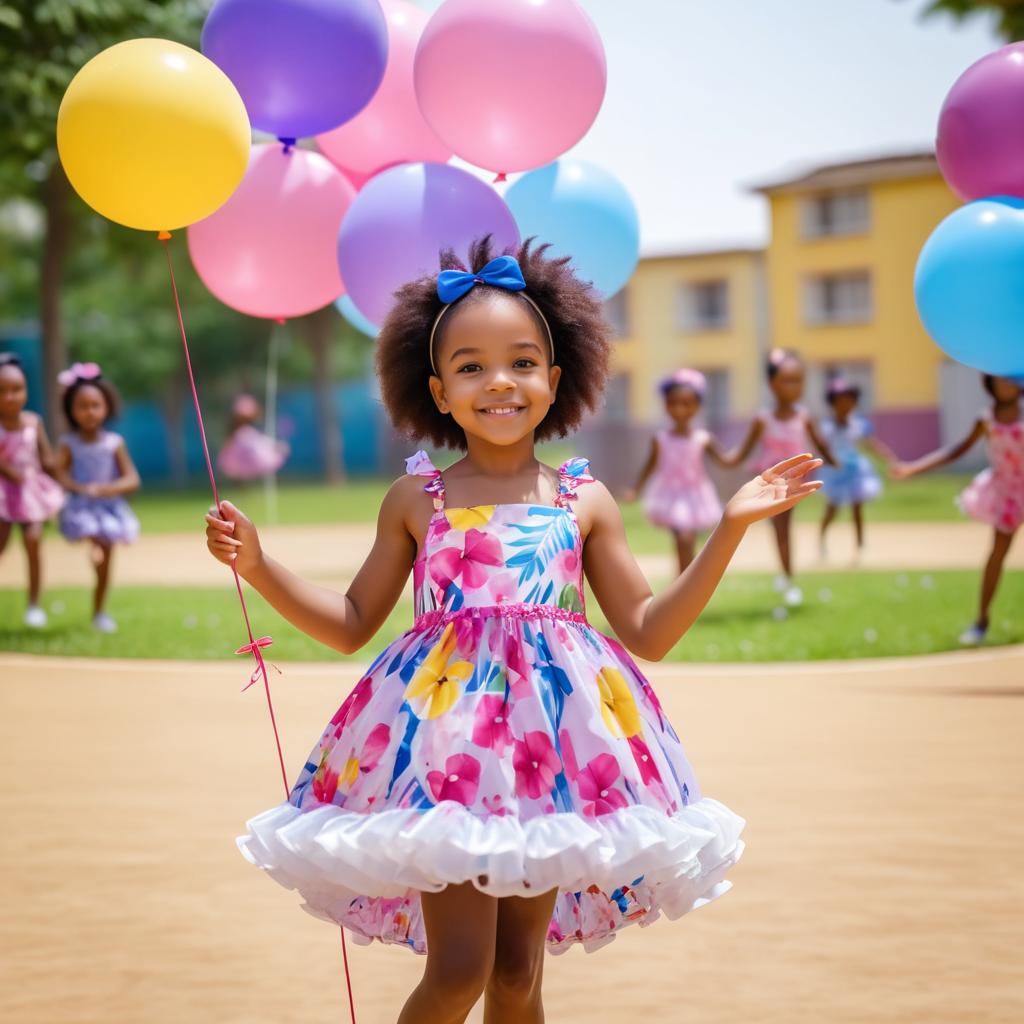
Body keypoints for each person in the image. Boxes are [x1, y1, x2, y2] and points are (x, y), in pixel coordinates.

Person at [205, 239, 822, 1024]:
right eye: (470, 367)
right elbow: (353, 622)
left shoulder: (583, 498)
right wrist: (258, 566)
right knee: (460, 970)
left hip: (555, 759)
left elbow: (649, 630)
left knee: (519, 977)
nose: (500, 382)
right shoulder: (415, 496)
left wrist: (729, 528)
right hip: (446, 758)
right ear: (437, 391)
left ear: (556, 378)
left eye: (522, 362)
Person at [892, 374, 1023, 646]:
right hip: (1008, 493)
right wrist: (914, 468)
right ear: (990, 382)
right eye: (1000, 379)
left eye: (1011, 379)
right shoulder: (986, 418)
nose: (1006, 384)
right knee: (996, 555)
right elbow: (956, 451)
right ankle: (981, 621)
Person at [728, 348, 834, 607]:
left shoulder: (803, 416)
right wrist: (722, 457)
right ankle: (788, 578)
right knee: (782, 528)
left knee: (785, 528)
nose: (794, 387)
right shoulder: (763, 419)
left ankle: (787, 577)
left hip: (796, 482)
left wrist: (836, 461)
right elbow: (742, 452)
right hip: (774, 484)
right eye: (787, 381)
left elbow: (820, 442)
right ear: (772, 384)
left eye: (799, 381)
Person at [54, 363, 140, 633]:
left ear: (106, 407)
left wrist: (107, 489)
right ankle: (94, 546)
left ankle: (99, 611)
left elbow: (131, 479)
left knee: (106, 560)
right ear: (71, 409)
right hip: (82, 508)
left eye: (96, 405)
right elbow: (61, 475)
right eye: (83, 406)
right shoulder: (69, 444)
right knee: (98, 543)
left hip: (109, 509)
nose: (90, 412)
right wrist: (80, 489)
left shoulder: (113, 442)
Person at [625, 368, 727, 573]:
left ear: (697, 407)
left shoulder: (702, 438)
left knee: (687, 541)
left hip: (695, 495)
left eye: (686, 404)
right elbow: (650, 465)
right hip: (670, 496)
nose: (679, 410)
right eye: (673, 404)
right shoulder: (661, 439)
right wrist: (636, 489)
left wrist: (750, 450)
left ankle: (685, 582)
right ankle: (685, 582)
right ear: (666, 406)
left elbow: (726, 460)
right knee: (683, 539)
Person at [0, 352, 64, 627]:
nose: (11, 396)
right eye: (3, 391)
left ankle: (34, 604)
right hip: (3, 493)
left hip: (30, 493)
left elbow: (47, 459)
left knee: (33, 541)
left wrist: (63, 465)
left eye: (17, 389)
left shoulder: (33, 422)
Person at [817, 377, 896, 561]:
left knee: (857, 509)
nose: (845, 404)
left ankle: (859, 546)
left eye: (849, 399)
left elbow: (872, 444)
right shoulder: (827, 426)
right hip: (835, 472)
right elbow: (821, 447)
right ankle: (821, 541)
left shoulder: (859, 424)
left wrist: (890, 459)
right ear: (832, 403)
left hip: (855, 472)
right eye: (840, 400)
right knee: (831, 509)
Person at [217, 393, 289, 482]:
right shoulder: (239, 432)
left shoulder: (250, 431)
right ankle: (242, 482)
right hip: (241, 456)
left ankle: (248, 480)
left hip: (250, 455)